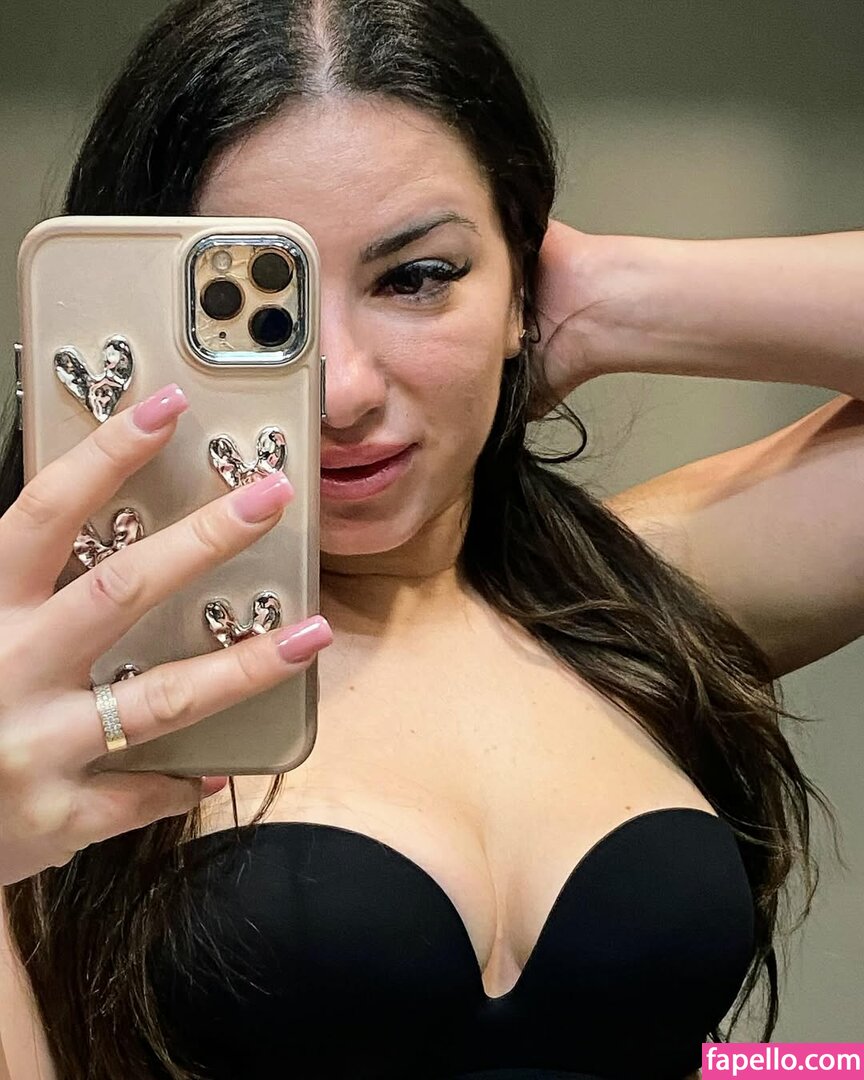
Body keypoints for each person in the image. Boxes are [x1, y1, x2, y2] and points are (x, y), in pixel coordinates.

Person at [2, 0, 862, 1077]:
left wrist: (606, 301)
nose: (343, 393)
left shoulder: (624, 604)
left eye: (416, 278)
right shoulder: (56, 684)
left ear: (521, 282)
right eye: (252, 305)